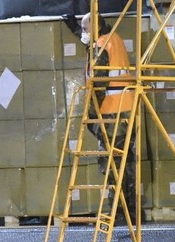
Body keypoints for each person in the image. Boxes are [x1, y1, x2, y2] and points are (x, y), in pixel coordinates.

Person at [64, 13, 137, 220]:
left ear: (95, 28)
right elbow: (94, 47)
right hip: (126, 107)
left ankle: (119, 211)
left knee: (112, 163)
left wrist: (91, 116)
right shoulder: (114, 40)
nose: (84, 33)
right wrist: (77, 30)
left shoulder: (102, 45)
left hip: (110, 111)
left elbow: (99, 81)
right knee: (124, 160)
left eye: (86, 29)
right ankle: (127, 209)